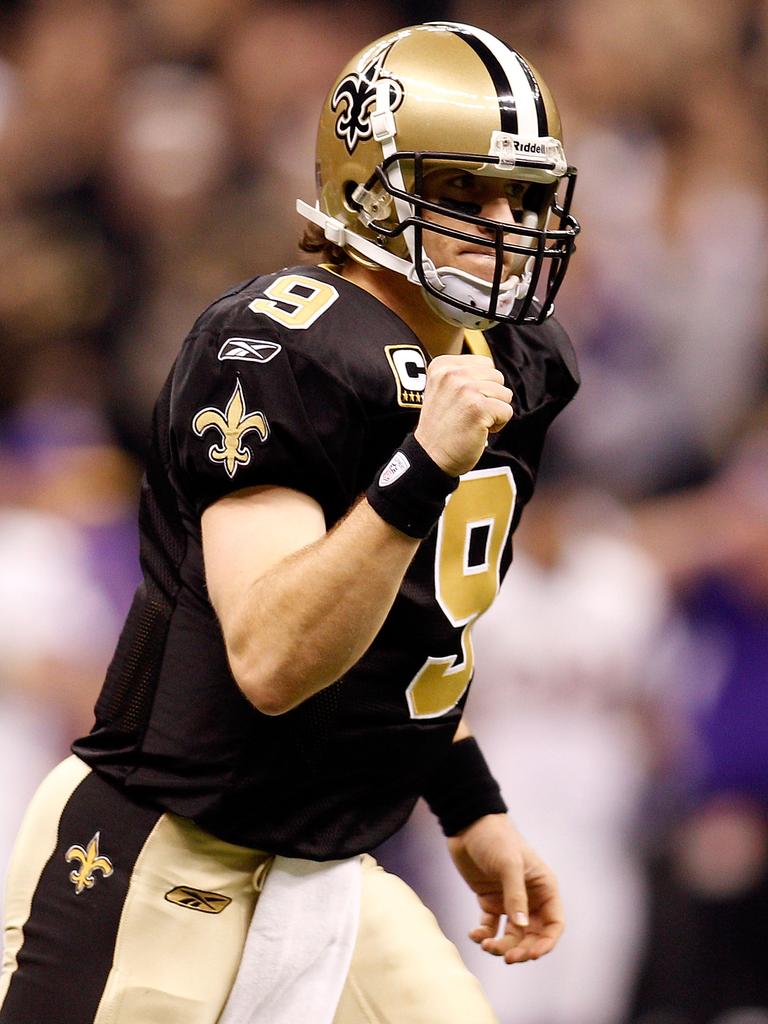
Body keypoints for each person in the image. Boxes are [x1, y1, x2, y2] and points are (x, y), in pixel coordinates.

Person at [0, 21, 581, 1024]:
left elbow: (410, 628)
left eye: (524, 197)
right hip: (160, 858)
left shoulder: (518, 361)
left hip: (329, 875)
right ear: (369, 186)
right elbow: (270, 657)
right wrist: (420, 465)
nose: (501, 222)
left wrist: (469, 800)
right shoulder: (282, 348)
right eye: (461, 193)